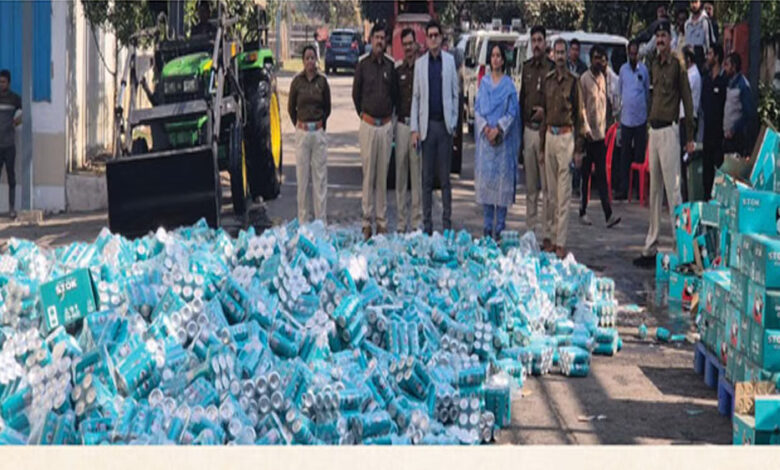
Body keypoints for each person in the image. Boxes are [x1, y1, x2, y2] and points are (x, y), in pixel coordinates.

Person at [633, 21, 695, 268]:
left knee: (673, 191)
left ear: (671, 40)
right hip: (655, 131)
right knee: (654, 192)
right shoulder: (654, 65)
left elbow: (687, 100)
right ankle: (651, 247)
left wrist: (690, 136)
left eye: (663, 36)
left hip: (670, 130)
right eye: (657, 36)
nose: (660, 40)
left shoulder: (677, 65)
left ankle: (681, 248)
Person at [410, 20, 459, 236]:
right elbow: (416, 98)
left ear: (440, 37)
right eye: (429, 36)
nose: (432, 39)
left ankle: (447, 225)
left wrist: (454, 122)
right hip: (427, 128)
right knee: (427, 180)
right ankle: (428, 226)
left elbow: (456, 94)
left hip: (445, 127)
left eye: (435, 35)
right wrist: (415, 129)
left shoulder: (449, 62)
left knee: (445, 180)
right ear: (426, 39)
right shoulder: (420, 64)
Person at [541, 38, 587, 259]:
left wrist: (578, 149)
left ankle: (560, 241)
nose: (559, 56)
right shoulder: (548, 80)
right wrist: (541, 146)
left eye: (562, 53)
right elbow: (544, 114)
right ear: (553, 54)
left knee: (563, 194)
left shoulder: (574, 82)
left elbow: (580, 117)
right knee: (550, 194)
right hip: (550, 136)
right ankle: (549, 238)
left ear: (567, 55)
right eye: (557, 52)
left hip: (566, 138)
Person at [352, 23, 399, 240]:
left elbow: (395, 96)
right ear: (371, 40)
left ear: (386, 41)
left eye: (382, 38)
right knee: (368, 175)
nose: (380, 41)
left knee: (382, 176)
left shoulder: (391, 66)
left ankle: (382, 222)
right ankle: (366, 222)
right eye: (376, 38)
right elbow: (356, 95)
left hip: (385, 127)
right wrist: (363, 116)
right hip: (368, 125)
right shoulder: (362, 65)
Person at [474, 44, 520, 240]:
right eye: (492, 55)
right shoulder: (483, 84)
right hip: (486, 144)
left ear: (503, 59)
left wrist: (498, 129)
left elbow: (512, 112)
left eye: (498, 55)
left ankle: (500, 229)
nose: (495, 59)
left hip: (503, 144)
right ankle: (486, 230)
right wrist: (486, 129)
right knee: (487, 187)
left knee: (501, 188)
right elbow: (477, 110)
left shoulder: (509, 86)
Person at [519, 25, 555, 250]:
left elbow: (558, 103)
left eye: (540, 40)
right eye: (533, 41)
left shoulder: (552, 68)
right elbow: (522, 98)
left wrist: (546, 113)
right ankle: (530, 231)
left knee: (547, 189)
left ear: (545, 42)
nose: (536, 45)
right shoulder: (526, 68)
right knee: (531, 188)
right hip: (529, 131)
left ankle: (547, 234)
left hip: (546, 133)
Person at [579, 46, 621, 229]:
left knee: (602, 176)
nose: (599, 62)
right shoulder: (584, 79)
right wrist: (585, 128)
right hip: (587, 136)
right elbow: (581, 106)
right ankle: (582, 211)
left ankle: (608, 214)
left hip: (600, 136)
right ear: (590, 59)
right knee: (585, 175)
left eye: (601, 59)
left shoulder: (603, 78)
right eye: (596, 58)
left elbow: (605, 106)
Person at [288, 45, 332, 224]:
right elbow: (291, 108)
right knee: (303, 179)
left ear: (316, 60)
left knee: (320, 179)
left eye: (312, 58)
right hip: (303, 134)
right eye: (307, 58)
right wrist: (300, 125)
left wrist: (321, 124)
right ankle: (303, 222)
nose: (310, 61)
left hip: (318, 133)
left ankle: (321, 221)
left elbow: (327, 107)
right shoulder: (297, 82)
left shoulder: (322, 82)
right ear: (303, 61)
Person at [394, 28, 422, 232]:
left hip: (418, 128)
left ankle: (416, 222)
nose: (408, 47)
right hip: (402, 126)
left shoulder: (422, 69)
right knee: (401, 176)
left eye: (410, 43)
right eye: (404, 44)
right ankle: (401, 222)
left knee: (417, 175)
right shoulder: (398, 71)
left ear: (415, 44)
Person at [616, 39, 649, 201]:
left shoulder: (644, 70)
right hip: (626, 119)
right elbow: (619, 92)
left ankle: (638, 190)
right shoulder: (623, 70)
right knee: (624, 156)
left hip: (640, 119)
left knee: (639, 156)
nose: (633, 56)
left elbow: (647, 92)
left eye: (635, 54)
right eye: (631, 54)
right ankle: (623, 189)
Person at [700, 44, 727, 198]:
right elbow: (703, 104)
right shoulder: (706, 80)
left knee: (719, 172)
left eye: (710, 54)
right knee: (706, 173)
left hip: (719, 135)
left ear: (716, 57)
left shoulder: (724, 81)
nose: (707, 57)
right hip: (707, 133)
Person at [679, 46, 701, 202]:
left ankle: (687, 195)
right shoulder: (690, 74)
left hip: (688, 119)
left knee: (686, 156)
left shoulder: (693, 76)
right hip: (684, 118)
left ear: (688, 59)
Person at [723, 52, 756, 157]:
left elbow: (748, 113)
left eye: (727, 65)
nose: (725, 68)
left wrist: (734, 129)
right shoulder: (727, 82)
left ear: (734, 67)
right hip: (726, 135)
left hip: (737, 137)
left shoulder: (743, 85)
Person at [567, 38, 587, 198]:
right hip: (566, 113)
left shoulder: (583, 68)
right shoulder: (563, 67)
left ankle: (576, 185)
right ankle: (566, 183)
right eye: (572, 49)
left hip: (579, 112)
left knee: (578, 151)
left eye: (577, 50)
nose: (574, 52)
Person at [0, 70, 20, 220]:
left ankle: (12, 208)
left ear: (9, 83)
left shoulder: (14, 99)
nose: (1, 85)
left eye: (3, 82)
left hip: (9, 145)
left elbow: (24, 112)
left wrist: (16, 122)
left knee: (11, 176)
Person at [684, 0, 713, 69]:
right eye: (692, 2)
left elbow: (709, 43)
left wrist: (707, 62)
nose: (694, 5)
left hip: (702, 62)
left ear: (700, 3)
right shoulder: (687, 24)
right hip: (689, 63)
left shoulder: (705, 21)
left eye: (696, 2)